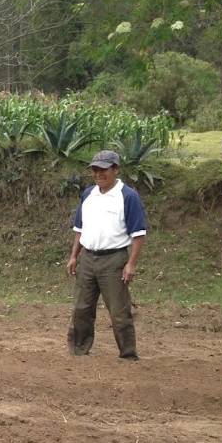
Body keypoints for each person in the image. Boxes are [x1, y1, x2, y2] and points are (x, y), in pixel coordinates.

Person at [66, 150, 148, 360]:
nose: (98, 173)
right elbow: (80, 229)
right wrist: (74, 256)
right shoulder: (88, 194)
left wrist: (131, 264)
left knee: (119, 312)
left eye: (104, 169)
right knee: (81, 308)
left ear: (115, 169)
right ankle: (79, 349)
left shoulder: (127, 196)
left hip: (114, 260)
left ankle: (128, 354)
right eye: (95, 169)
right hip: (87, 259)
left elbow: (138, 234)